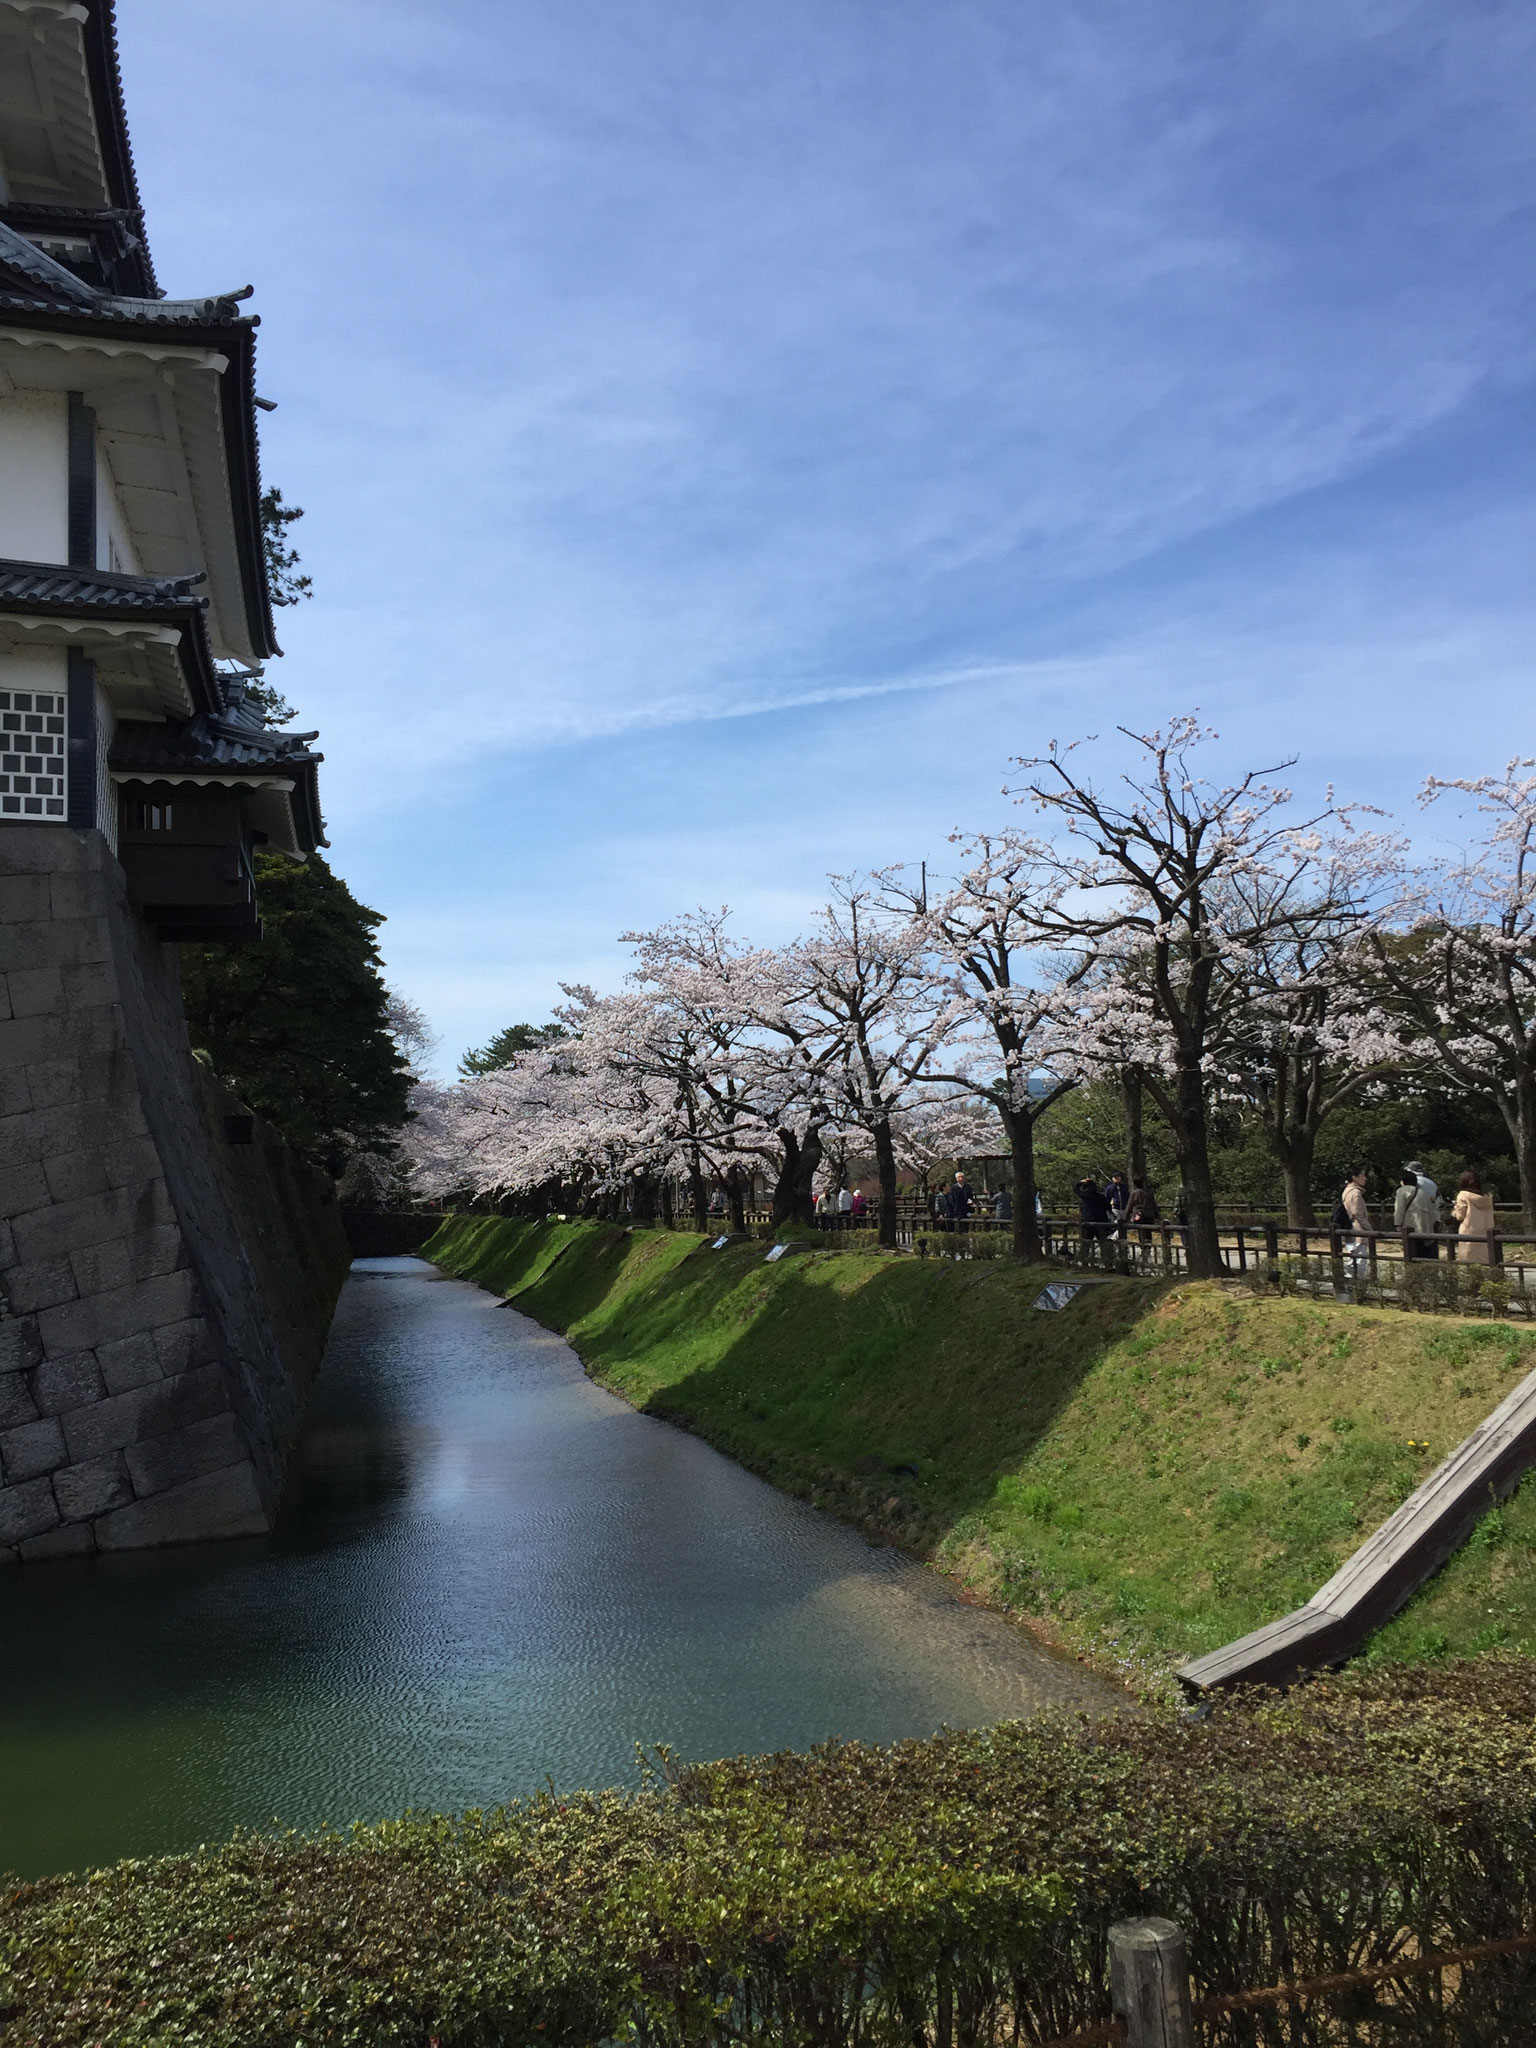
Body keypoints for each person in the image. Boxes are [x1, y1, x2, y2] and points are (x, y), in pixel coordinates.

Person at [1334, 1166, 1373, 1297]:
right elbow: (1358, 1213)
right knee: (1359, 1260)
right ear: (1354, 1178)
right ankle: (1356, 1288)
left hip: (1351, 1228)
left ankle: (1351, 1287)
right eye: (1362, 1175)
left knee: (1352, 1258)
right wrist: (1369, 1227)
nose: (1365, 1178)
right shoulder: (1355, 1193)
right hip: (1358, 1229)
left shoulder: (1346, 1191)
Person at [1452, 1170, 1497, 1264]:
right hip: (1486, 1232)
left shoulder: (1463, 1195)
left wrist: (1455, 1209)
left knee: (1468, 1261)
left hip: (1469, 1231)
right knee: (1485, 1259)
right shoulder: (1487, 1197)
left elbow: (1460, 1216)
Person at [1404, 1160, 1442, 1259]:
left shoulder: (1411, 1182)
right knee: (1431, 1250)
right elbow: (1439, 1202)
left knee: (1415, 1251)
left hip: (1415, 1221)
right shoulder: (1431, 1182)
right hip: (1433, 1220)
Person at [1077, 1175, 1113, 1249]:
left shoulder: (1085, 1197)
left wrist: (1080, 1183)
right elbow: (1109, 1208)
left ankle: (1084, 1258)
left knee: (1086, 1244)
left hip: (1088, 1222)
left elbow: (1076, 1190)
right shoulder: (1102, 1197)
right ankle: (1106, 1259)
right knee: (1103, 1244)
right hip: (1101, 1222)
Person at [1127, 1175, 1160, 1247]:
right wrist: (1157, 1216)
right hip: (1149, 1215)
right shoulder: (1148, 1192)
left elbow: (1129, 1206)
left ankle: (1144, 1249)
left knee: (1141, 1233)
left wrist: (1125, 1217)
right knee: (1148, 1233)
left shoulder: (1134, 1193)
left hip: (1139, 1216)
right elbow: (1154, 1205)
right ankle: (1148, 1247)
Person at [1106, 1171, 1132, 1239]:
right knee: (1117, 1224)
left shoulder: (1124, 1187)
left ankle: (1121, 1239)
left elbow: (1128, 1196)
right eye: (1115, 1178)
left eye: (1118, 1177)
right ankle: (1114, 1238)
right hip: (1115, 1208)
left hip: (1124, 1208)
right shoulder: (1110, 1187)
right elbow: (1107, 1198)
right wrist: (1108, 1208)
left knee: (1124, 1224)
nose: (1116, 1179)